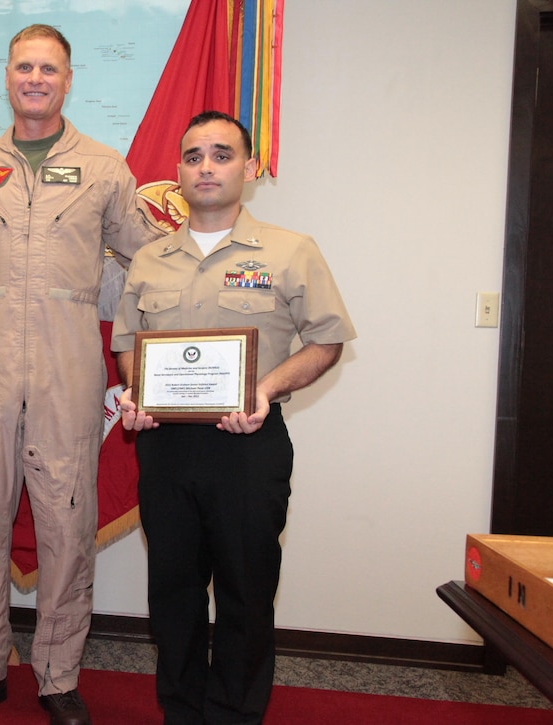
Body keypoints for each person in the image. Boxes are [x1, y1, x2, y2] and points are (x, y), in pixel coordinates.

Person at [0, 24, 164, 725]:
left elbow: (147, 260)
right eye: (25, 67)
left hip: (68, 369)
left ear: (68, 80)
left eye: (49, 68)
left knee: (66, 519)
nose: (36, 78)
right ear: (8, 77)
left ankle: (59, 673)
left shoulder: (104, 168)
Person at [112, 111, 357, 724]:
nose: (206, 166)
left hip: (248, 447)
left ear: (248, 168)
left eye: (222, 155)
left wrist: (267, 389)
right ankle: (183, 712)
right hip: (165, 449)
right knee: (174, 593)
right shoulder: (149, 260)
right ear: (178, 173)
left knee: (247, 594)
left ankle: (235, 716)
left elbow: (327, 341)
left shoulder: (290, 250)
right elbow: (125, 344)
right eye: (193, 156)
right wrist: (135, 392)